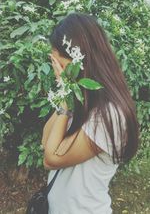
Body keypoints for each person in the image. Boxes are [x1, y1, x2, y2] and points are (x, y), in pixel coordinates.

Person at [41, 13, 139, 214]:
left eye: (62, 66)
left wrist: (66, 101)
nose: (58, 72)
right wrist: (64, 95)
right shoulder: (81, 99)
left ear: (82, 61)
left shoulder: (110, 113)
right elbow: (45, 141)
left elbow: (51, 158)